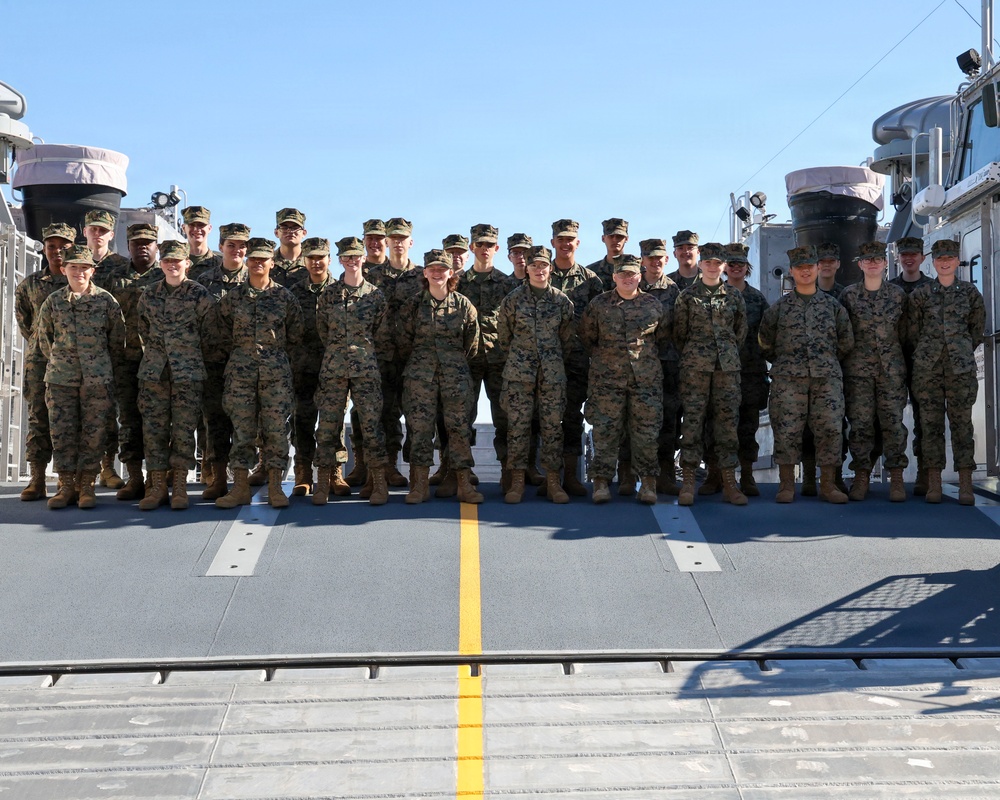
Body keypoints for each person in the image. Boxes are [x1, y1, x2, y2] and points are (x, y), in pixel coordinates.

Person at [758, 246, 854, 504]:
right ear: (791, 271)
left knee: (830, 429)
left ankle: (828, 485)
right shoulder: (778, 309)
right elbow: (765, 342)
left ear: (816, 269)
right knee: (787, 430)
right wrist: (787, 363)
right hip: (789, 380)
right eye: (799, 267)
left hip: (826, 379)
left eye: (809, 267)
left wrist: (825, 363)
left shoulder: (833, 306)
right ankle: (787, 485)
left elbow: (846, 342)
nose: (805, 271)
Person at [215, 237, 304, 509]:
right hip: (240, 374)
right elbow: (220, 334)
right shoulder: (232, 299)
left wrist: (272, 355)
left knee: (277, 431)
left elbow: (296, 335)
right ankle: (240, 486)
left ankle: (276, 487)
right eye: (252, 258)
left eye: (263, 259)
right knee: (242, 431)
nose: (257, 263)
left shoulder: (284, 298)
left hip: (275, 374)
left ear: (272, 263)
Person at [36, 245, 125, 509]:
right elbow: (44, 340)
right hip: (61, 378)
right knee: (62, 432)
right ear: (64, 270)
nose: (79, 272)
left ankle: (86, 485)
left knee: (93, 433)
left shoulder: (106, 301)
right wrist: (63, 362)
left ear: (92, 271)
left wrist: (99, 366)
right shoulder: (53, 301)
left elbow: (117, 340)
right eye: (74, 267)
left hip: (97, 380)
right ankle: (65, 486)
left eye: (84, 267)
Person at [135, 240, 217, 510]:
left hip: (188, 374)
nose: (172, 265)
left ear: (187, 264)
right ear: (161, 264)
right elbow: (143, 328)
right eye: (167, 260)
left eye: (177, 261)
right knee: (154, 430)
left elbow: (210, 334)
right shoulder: (149, 294)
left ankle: (180, 486)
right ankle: (157, 486)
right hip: (155, 373)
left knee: (184, 431)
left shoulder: (200, 295)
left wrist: (188, 356)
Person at [579, 254, 668, 505]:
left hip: (645, 381)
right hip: (606, 381)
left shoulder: (653, 305)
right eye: (623, 274)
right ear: (614, 276)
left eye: (632, 274)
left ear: (640, 276)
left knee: (646, 433)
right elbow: (587, 337)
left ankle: (648, 483)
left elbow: (664, 337)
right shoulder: (599, 305)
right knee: (605, 432)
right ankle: (601, 482)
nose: (628, 278)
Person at [397, 250, 480, 504]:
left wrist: (452, 361)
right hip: (420, 377)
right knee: (420, 430)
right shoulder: (412, 305)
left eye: (442, 269)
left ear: (450, 273)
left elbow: (472, 345)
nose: (437, 273)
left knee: (458, 429)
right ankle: (419, 486)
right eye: (432, 268)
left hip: (455, 376)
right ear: (424, 273)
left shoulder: (464, 305)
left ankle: (464, 484)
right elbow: (403, 341)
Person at [313, 236, 391, 506]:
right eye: (347, 257)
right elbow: (323, 330)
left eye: (356, 256)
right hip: (334, 368)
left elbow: (381, 334)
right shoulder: (329, 295)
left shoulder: (375, 296)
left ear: (363, 258)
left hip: (366, 369)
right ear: (340, 260)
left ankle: (378, 482)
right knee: (328, 426)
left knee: (371, 426)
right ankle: (324, 481)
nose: (352, 260)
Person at [908, 238, 986, 505]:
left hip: (960, 369)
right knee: (930, 427)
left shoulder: (970, 294)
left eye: (949, 258)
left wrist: (959, 349)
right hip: (927, 371)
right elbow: (911, 333)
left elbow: (976, 330)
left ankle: (966, 484)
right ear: (933, 261)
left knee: (962, 426)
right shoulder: (920, 296)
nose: (944, 262)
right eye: (940, 258)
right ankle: (934, 483)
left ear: (956, 261)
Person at [497, 245, 574, 503]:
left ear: (550, 268)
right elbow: (504, 337)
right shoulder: (512, 301)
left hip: (552, 374)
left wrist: (550, 359)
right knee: (518, 428)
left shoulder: (562, 302)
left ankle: (553, 481)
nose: (539, 270)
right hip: (519, 374)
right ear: (526, 269)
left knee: (553, 428)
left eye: (543, 265)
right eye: (534, 266)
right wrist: (523, 357)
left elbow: (567, 340)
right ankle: (517, 482)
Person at [673, 243, 748, 506]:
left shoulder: (734, 297)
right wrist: (698, 355)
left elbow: (740, 333)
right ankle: (689, 482)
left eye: (718, 263)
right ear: (701, 264)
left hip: (727, 370)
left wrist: (724, 355)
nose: (713, 267)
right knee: (692, 424)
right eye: (708, 262)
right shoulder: (687, 296)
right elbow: (679, 335)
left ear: (724, 266)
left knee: (727, 425)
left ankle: (729, 482)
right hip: (695, 369)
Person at [839, 241, 909, 502]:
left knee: (893, 424)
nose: (872, 263)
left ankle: (897, 478)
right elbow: (842, 334)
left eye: (877, 259)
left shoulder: (898, 296)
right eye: (867, 260)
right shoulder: (847, 296)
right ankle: (861, 477)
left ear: (884, 263)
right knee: (860, 426)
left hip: (891, 371)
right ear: (859, 264)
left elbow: (905, 334)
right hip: (858, 373)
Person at [14, 222, 73, 501]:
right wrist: (41, 347)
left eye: (64, 247)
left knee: (67, 421)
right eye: (52, 247)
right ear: (45, 249)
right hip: (39, 362)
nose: (57, 252)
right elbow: (26, 322)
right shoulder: (30, 285)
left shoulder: (80, 282)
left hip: (71, 361)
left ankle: (65, 480)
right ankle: (37, 479)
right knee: (38, 417)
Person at [192, 222, 251, 501]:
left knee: (243, 422)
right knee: (214, 421)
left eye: (241, 245)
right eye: (231, 244)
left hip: (245, 365)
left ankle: (241, 478)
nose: (236, 250)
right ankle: (216, 477)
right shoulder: (204, 282)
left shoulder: (255, 280)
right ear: (221, 245)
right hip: (212, 362)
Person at [457, 224, 518, 489]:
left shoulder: (507, 284)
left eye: (489, 245)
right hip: (467, 360)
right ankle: (460, 471)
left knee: (504, 417)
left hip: (498, 359)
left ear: (496, 248)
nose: (484, 249)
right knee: (461, 417)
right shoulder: (457, 282)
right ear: (472, 248)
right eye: (479, 244)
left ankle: (508, 469)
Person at [105, 222, 163, 500]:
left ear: (156, 247)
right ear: (128, 247)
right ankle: (134, 477)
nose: (142, 247)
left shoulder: (165, 278)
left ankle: (155, 478)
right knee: (128, 419)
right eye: (136, 243)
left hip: (157, 362)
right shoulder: (114, 279)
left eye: (147, 243)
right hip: (124, 361)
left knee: (156, 421)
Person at [367, 217, 424, 488]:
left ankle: (417, 471)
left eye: (403, 239)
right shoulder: (372, 277)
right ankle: (387, 467)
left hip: (415, 358)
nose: (398, 243)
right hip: (382, 356)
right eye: (394, 239)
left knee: (418, 414)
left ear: (410, 242)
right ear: (386, 242)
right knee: (384, 414)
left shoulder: (425, 276)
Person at [549, 219, 605, 496]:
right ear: (553, 243)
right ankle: (544, 477)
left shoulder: (591, 280)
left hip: (578, 360)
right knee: (543, 417)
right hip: (544, 359)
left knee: (571, 416)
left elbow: (600, 322)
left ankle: (570, 476)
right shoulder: (540, 273)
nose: (565, 243)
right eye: (560, 239)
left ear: (577, 243)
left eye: (570, 239)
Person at [82, 209, 128, 489]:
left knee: (110, 413)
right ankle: (79, 472)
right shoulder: (75, 263)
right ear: (84, 232)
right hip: (77, 353)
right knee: (78, 414)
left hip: (114, 352)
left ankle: (108, 468)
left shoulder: (123, 266)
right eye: (92, 229)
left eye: (102, 230)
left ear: (111, 234)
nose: (97, 234)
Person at [287, 237, 333, 497]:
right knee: (302, 422)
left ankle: (332, 471)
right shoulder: (293, 292)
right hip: (302, 368)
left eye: (321, 257)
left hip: (332, 369)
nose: (316, 262)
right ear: (304, 260)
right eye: (311, 257)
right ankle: (303, 474)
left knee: (331, 423)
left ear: (329, 259)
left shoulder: (340, 290)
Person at [723, 242, 770, 496]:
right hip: (721, 373)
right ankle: (719, 476)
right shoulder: (716, 296)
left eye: (740, 264)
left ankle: (748, 475)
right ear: (725, 268)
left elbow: (768, 334)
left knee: (748, 426)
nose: (736, 268)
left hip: (751, 372)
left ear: (746, 267)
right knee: (721, 426)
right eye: (731, 264)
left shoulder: (757, 299)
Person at [890, 236, 934, 494]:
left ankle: (925, 474)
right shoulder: (889, 289)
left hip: (923, 363)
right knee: (890, 419)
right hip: (893, 362)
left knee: (924, 419)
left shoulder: (931, 288)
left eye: (913, 254)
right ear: (898, 258)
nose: (908, 259)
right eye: (904, 254)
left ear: (922, 258)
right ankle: (886, 473)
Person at [639, 238, 681, 495]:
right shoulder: (631, 284)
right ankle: (633, 477)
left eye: (659, 258)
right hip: (638, 365)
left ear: (667, 260)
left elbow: (681, 327)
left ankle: (665, 476)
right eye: (650, 257)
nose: (655, 262)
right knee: (637, 421)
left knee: (668, 421)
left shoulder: (674, 291)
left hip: (667, 365)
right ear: (642, 260)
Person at [585, 218, 629, 291]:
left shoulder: (637, 271)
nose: (615, 240)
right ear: (603, 238)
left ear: (626, 239)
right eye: (611, 236)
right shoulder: (591, 272)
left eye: (619, 236)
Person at [182, 206, 222, 281]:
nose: (196, 229)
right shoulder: (176, 262)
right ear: (184, 228)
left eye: (201, 225)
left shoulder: (220, 264)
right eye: (192, 225)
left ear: (209, 228)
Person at [272, 208, 308, 286]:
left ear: (304, 233)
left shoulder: (312, 263)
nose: (290, 231)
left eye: (295, 228)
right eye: (284, 228)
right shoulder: (267, 262)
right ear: (276, 232)